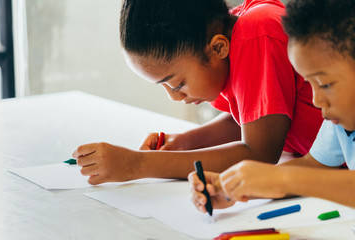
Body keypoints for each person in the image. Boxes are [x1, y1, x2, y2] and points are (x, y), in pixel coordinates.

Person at [73, 0, 322, 185]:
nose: (174, 96)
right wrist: (186, 141)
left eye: (178, 83)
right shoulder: (229, 32)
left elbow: (260, 152)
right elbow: (255, 120)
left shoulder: (256, 34)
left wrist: (137, 164)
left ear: (218, 48)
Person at [189, 0, 355, 211]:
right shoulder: (340, 119)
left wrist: (280, 179)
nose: (316, 100)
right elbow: (312, 165)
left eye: (325, 84)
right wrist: (237, 186)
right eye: (309, 83)